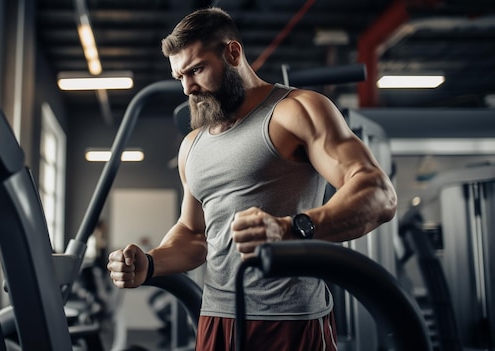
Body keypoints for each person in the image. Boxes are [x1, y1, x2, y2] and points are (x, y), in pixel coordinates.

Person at [107, 7, 397, 351]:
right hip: (216, 320)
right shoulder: (192, 145)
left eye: (197, 70)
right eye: (179, 77)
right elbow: (194, 234)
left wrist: (290, 229)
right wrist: (151, 263)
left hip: (292, 321)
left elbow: (377, 194)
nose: (188, 89)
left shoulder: (296, 110)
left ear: (232, 53)